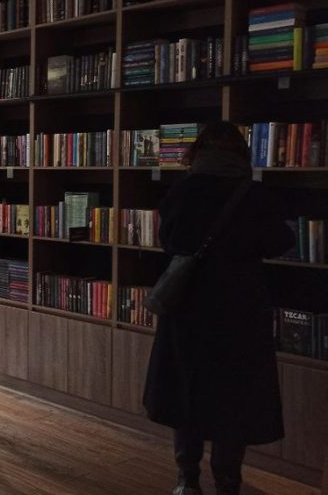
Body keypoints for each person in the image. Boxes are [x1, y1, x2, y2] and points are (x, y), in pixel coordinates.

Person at [143, 121, 293, 495]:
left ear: (198, 151)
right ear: (241, 153)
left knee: (187, 394)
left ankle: (187, 479)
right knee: (234, 401)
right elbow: (280, 242)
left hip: (188, 307)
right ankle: (227, 482)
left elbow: (169, 241)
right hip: (240, 310)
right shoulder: (255, 195)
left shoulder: (182, 191)